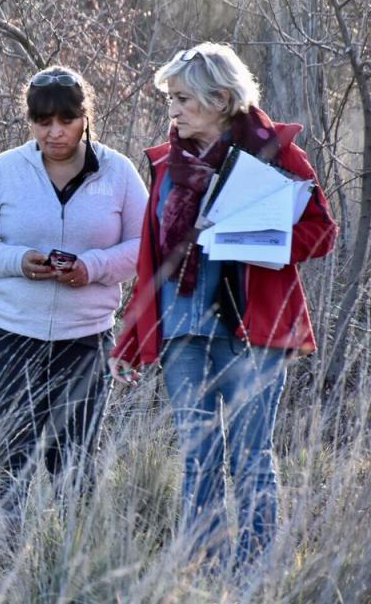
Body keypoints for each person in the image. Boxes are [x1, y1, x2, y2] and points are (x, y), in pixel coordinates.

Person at [109, 42, 337, 569]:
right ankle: (201, 573)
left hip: (253, 331)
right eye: (171, 97)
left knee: (251, 458)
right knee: (198, 458)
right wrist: (132, 341)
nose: (174, 109)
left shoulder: (275, 154)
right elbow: (151, 260)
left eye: (184, 98)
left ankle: (255, 575)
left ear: (222, 99)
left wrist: (257, 235)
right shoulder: (167, 164)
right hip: (184, 331)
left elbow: (320, 233)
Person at [0, 66, 148, 493]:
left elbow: (146, 247)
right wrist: (19, 260)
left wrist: (91, 268)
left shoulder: (117, 172)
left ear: (86, 118)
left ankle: (70, 557)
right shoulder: (5, 170)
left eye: (66, 120)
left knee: (76, 466)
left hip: (84, 343)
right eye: (43, 122)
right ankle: (5, 555)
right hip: (8, 338)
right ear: (31, 121)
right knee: (12, 462)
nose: (55, 132)